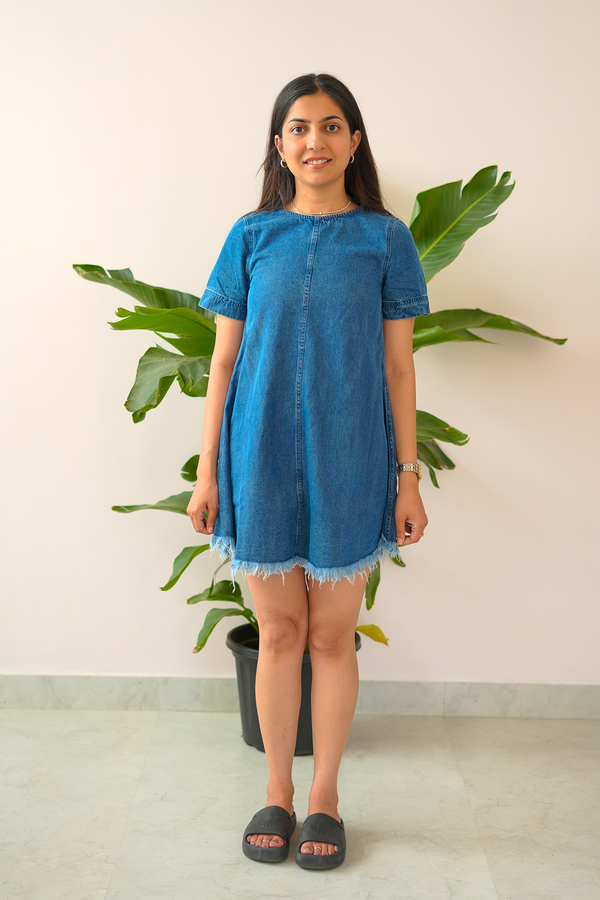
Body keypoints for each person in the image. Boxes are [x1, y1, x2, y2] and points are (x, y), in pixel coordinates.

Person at [187, 73, 429, 870]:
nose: (314, 141)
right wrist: (206, 471)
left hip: (352, 455)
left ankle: (324, 796)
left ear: (354, 141)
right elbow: (223, 363)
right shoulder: (252, 236)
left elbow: (399, 370)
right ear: (279, 144)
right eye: (298, 128)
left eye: (331, 126)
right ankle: (277, 793)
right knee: (281, 631)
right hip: (256, 457)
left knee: (331, 636)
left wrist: (407, 475)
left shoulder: (385, 240)